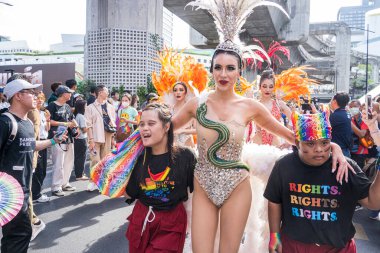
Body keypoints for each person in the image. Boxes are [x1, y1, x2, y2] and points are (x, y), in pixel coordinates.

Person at [264, 109, 380, 253]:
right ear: (298, 143)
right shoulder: (284, 165)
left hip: (337, 248)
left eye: (325, 143)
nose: (319, 149)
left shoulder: (345, 166)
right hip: (294, 247)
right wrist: (274, 238)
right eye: (310, 144)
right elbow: (274, 202)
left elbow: (373, 202)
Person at [0, 79, 65, 253]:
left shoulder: (27, 123)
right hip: (8, 194)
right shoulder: (5, 122)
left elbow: (31, 144)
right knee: (19, 235)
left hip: (24, 189)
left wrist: (53, 140)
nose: (36, 96)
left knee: (18, 235)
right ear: (18, 96)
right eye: (31, 92)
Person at [125, 103, 196, 253]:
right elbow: (131, 193)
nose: (144, 128)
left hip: (171, 224)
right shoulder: (137, 158)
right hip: (141, 219)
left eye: (151, 123)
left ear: (166, 127)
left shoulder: (185, 156)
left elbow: (197, 192)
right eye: (141, 124)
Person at [47, 85, 78, 197]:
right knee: (58, 163)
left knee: (69, 161)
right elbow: (49, 121)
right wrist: (65, 124)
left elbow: (71, 118)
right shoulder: (52, 105)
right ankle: (56, 187)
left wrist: (76, 126)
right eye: (69, 92)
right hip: (57, 137)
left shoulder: (67, 106)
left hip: (68, 136)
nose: (71, 94)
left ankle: (65, 183)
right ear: (62, 94)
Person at [85, 85, 116, 191]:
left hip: (107, 136)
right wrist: (91, 140)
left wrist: (112, 138)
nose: (108, 93)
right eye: (106, 91)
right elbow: (88, 125)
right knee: (95, 160)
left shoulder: (111, 107)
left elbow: (113, 123)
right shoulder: (90, 108)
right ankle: (92, 181)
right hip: (95, 137)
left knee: (105, 161)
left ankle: (102, 182)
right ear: (100, 92)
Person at [251, 69, 292, 146]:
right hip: (257, 144)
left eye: (270, 87)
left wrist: (289, 140)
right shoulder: (254, 104)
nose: (267, 90)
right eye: (264, 86)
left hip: (275, 144)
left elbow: (295, 120)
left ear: (274, 88)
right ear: (259, 87)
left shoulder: (279, 104)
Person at [32, 92, 51, 203]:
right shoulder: (32, 112)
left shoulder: (44, 112)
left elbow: (47, 129)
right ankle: (36, 195)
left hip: (44, 142)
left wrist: (48, 119)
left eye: (42, 98)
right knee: (37, 170)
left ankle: (36, 192)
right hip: (37, 142)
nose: (40, 100)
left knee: (43, 170)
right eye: (38, 98)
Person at [171, 81, 196, 148]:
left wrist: (182, 131)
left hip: (188, 147)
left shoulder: (191, 109)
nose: (178, 92)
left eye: (181, 90)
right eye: (175, 90)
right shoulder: (170, 109)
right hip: (173, 147)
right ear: (173, 93)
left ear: (185, 93)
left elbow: (198, 130)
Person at [330, 92, 352, 157]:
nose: (330, 102)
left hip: (339, 151)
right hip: (345, 149)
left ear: (334, 101)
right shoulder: (346, 113)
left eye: (331, 100)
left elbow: (322, 125)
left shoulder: (336, 116)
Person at [349, 100, 369, 169]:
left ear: (360, 107)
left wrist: (350, 123)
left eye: (354, 106)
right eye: (350, 107)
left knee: (358, 172)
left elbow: (362, 134)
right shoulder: (350, 118)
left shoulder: (365, 118)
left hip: (361, 151)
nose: (352, 108)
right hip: (351, 150)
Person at [74, 99, 89, 180]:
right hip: (82, 139)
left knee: (78, 157)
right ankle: (79, 175)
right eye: (85, 106)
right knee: (82, 157)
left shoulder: (77, 115)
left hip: (78, 139)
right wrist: (90, 126)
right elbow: (84, 129)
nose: (86, 107)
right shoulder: (81, 116)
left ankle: (78, 173)